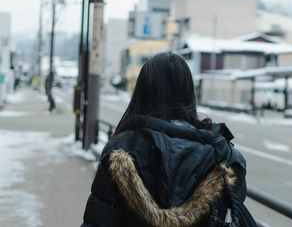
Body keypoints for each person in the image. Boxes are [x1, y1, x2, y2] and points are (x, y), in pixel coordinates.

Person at [81, 52, 247, 226]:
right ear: (188, 91)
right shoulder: (224, 157)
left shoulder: (122, 150)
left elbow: (98, 220)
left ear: (143, 92)